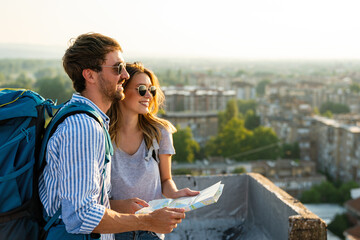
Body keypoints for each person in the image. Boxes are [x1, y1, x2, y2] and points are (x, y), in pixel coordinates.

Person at [38, 33, 185, 240]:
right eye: (117, 68)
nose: (125, 75)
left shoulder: (81, 118)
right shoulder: (84, 128)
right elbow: (80, 216)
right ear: (90, 76)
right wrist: (147, 221)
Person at [107, 62, 199, 240]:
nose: (148, 95)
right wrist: (120, 205)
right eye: (142, 89)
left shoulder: (160, 132)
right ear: (122, 90)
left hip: (151, 230)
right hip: (114, 228)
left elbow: (166, 179)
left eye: (152, 90)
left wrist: (175, 193)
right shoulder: (102, 133)